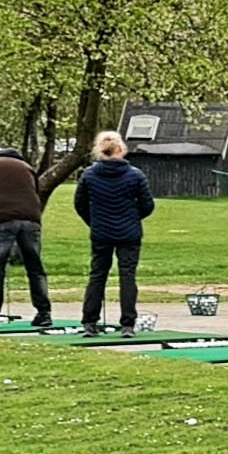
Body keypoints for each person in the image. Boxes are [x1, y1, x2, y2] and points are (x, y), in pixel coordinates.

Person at [74, 131, 155, 335]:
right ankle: (127, 324)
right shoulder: (135, 175)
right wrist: (133, 218)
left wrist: (94, 222)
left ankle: (90, 322)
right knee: (127, 276)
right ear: (121, 149)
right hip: (129, 232)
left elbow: (80, 204)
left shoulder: (89, 175)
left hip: (101, 231)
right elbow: (147, 205)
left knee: (97, 275)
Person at [0, 146, 51, 328]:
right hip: (31, 220)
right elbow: (36, 193)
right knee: (35, 268)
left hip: (2, 219)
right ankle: (44, 313)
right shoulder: (27, 167)